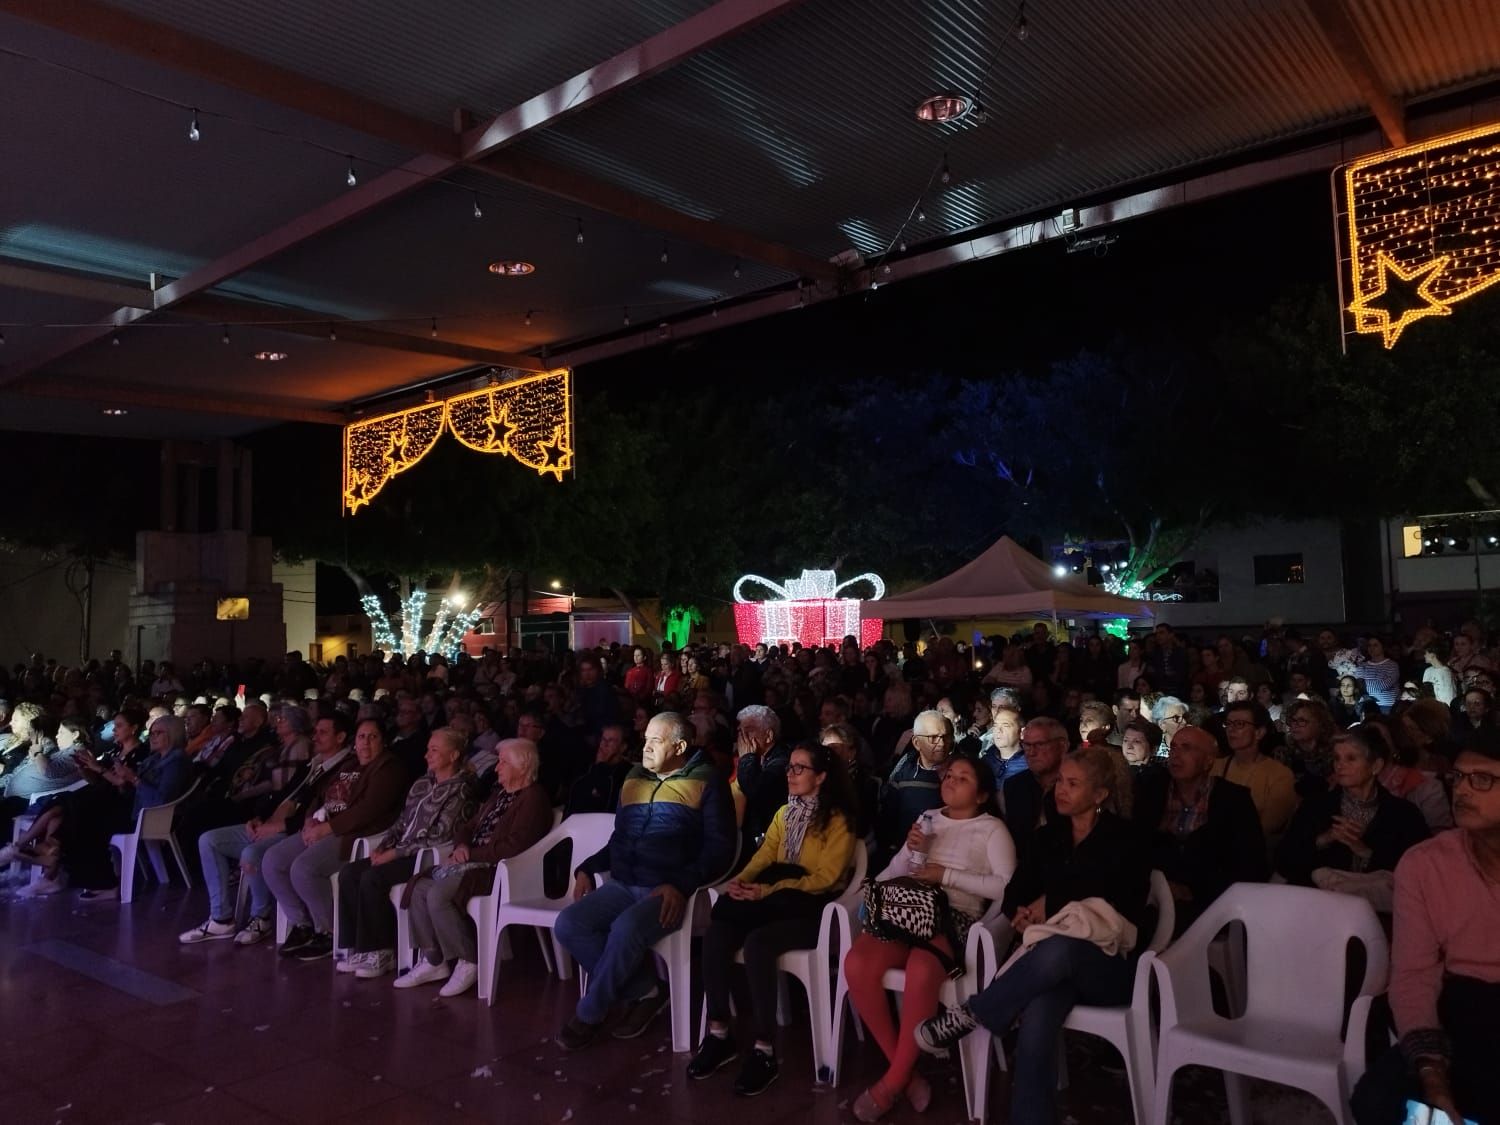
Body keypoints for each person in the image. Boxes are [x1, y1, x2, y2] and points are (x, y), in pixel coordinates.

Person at [914, 746, 1150, 1125]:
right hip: (1047, 969)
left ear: (1101, 794)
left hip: (1107, 967)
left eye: (1073, 784)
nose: (1061, 790)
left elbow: (1125, 903)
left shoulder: (1126, 839)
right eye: (1060, 781)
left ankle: (977, 1010)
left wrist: (1050, 903)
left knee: (1061, 951)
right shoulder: (1048, 837)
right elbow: (1014, 892)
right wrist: (1021, 914)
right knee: (1039, 1015)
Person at [842, 756, 1015, 1121]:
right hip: (909, 910)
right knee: (857, 963)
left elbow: (1006, 887)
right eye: (949, 775)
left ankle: (890, 1084)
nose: (951, 781)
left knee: (922, 968)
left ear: (982, 794)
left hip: (954, 919)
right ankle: (907, 1075)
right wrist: (901, 861)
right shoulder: (929, 818)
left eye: (963, 778)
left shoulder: (991, 830)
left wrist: (946, 876)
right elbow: (898, 870)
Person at [553, 712, 735, 1050]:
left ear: (680, 746)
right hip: (624, 882)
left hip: (669, 890)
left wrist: (681, 883)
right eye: (646, 739)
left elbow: (720, 850)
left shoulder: (709, 781)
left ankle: (590, 1014)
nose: (646, 747)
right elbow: (620, 837)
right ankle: (646, 990)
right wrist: (588, 866)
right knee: (569, 924)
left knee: (625, 929)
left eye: (656, 741)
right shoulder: (635, 777)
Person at [689, 742, 859, 1095]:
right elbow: (764, 856)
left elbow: (826, 878)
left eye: (800, 768)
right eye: (790, 767)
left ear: (821, 777)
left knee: (758, 943)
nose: (791, 774)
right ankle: (719, 1031)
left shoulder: (838, 820)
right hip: (775, 900)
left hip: (812, 907)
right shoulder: (785, 813)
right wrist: (740, 883)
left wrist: (768, 890)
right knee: (718, 930)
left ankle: (764, 1048)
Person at [1351, 736, 1500, 1125]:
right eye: (1459, 777)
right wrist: (1431, 1071)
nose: (1463, 790)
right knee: (1378, 1102)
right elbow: (1414, 974)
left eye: (1482, 780)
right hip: (1458, 1002)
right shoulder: (1425, 864)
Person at [182, 710, 357, 946]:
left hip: (292, 830)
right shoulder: (313, 764)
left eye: (323, 732)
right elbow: (283, 795)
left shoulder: (344, 769)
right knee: (209, 840)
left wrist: (278, 826)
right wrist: (259, 819)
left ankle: (261, 917)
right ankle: (221, 917)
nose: (316, 736)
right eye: (315, 731)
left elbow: (313, 811)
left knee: (252, 854)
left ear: (341, 737)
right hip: (272, 824)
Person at [396, 738, 552, 996]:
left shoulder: (534, 798)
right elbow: (467, 827)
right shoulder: (499, 794)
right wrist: (460, 848)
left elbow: (515, 847)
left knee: (438, 894)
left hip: (499, 870)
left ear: (522, 766)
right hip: (471, 862)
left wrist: (471, 855)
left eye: (503, 762)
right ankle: (434, 961)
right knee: (420, 887)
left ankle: (468, 961)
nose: (497, 767)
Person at [263, 715, 410, 961]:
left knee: (304, 869)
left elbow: (367, 810)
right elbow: (321, 795)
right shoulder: (350, 764)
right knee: (273, 860)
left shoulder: (389, 768)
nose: (365, 743)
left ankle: (328, 931)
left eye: (373, 737)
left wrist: (326, 829)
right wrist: (310, 818)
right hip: (323, 826)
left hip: (353, 835)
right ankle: (303, 924)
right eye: (362, 736)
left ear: (383, 741)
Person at [335, 728, 476, 978]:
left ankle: (380, 951)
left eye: (434, 750)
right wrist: (384, 845)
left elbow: (442, 835)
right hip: (401, 850)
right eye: (428, 749)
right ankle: (356, 947)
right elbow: (402, 822)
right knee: (349, 872)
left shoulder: (462, 790)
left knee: (372, 878)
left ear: (453, 755)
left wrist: (396, 853)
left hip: (427, 856)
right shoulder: (423, 783)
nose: (427, 755)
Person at [1133, 725, 1267, 934]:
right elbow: (1135, 846)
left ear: (1208, 761)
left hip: (1210, 902)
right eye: (1174, 748)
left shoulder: (1233, 800)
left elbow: (1251, 865)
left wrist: (1192, 890)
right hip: (1152, 895)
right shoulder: (1152, 791)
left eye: (1186, 748)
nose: (1176, 755)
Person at [1275, 727, 1429, 895]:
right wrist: (1322, 840)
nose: (1340, 765)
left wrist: (1365, 852)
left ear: (1376, 766)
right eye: (1336, 758)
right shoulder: (1315, 807)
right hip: (1318, 905)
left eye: (1351, 758)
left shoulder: (1404, 815)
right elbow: (1284, 862)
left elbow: (1419, 872)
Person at [60, 713, 191, 900]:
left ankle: (106, 883)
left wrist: (132, 779)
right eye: (151, 732)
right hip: (137, 809)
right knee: (82, 810)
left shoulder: (176, 762)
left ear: (173, 734)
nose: (151, 736)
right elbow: (131, 790)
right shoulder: (154, 759)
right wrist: (123, 781)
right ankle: (89, 877)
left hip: (152, 817)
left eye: (157, 733)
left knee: (91, 820)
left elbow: (162, 799)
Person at [1209, 701, 1298, 844]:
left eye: (1239, 724)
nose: (1231, 730)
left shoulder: (1280, 775)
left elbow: (1265, 830)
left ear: (1259, 732)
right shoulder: (1215, 767)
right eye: (1228, 724)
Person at [875, 710, 953, 865]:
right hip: (904, 854)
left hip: (945, 856)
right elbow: (889, 816)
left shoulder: (959, 772)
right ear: (917, 743)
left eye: (946, 737)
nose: (942, 743)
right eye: (933, 738)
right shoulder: (903, 772)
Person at [1001, 717, 1068, 861]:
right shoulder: (1014, 785)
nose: (1031, 752)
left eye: (1039, 744)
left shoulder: (1077, 786)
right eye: (1026, 745)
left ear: (1062, 746)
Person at [733, 704, 790, 863]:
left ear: (769, 735)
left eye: (749, 730)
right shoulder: (759, 759)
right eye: (739, 731)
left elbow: (755, 790)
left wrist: (747, 759)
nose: (742, 737)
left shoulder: (782, 761)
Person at [565, 723, 634, 815]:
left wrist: (600, 767)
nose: (604, 744)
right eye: (603, 739)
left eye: (611, 741)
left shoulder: (628, 773)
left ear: (622, 747)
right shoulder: (587, 769)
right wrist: (598, 767)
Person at [1278, 698, 1338, 799]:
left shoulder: (1336, 753)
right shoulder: (1284, 753)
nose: (1295, 725)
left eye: (1302, 720)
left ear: (1320, 724)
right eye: (1293, 720)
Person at [976, 701, 1026, 787]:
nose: (998, 730)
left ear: (1022, 732)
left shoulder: (1030, 764)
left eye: (1005, 725)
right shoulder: (986, 761)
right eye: (995, 726)